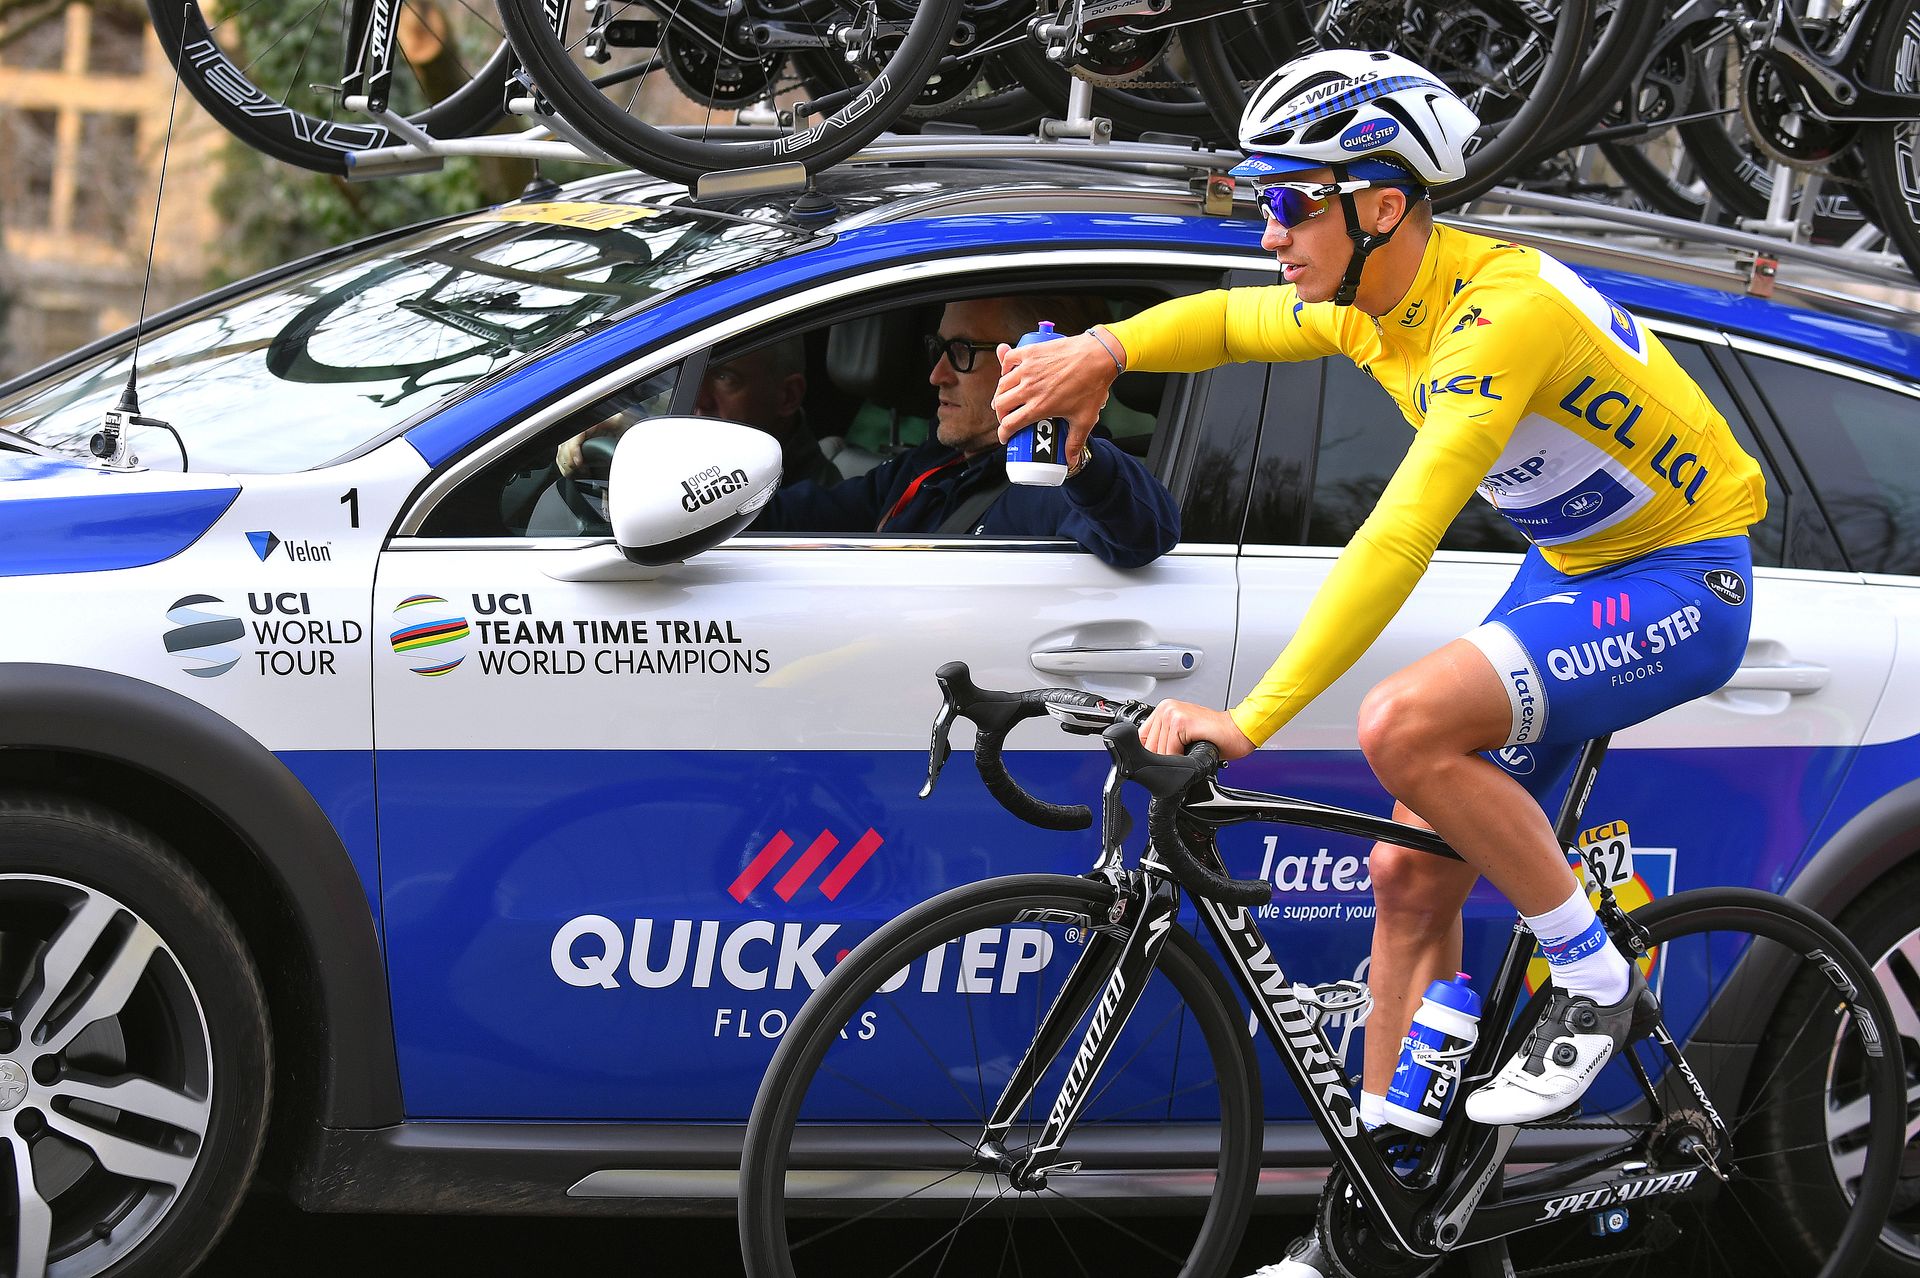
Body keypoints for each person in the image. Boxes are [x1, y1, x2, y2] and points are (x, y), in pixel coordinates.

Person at [993, 48, 1766, 1276]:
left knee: (1401, 724)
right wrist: (1104, 350)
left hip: (1681, 579)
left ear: (1383, 204)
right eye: (1261, 200)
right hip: (1576, 569)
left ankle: (1591, 978)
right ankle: (1382, 1236)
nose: (1269, 232)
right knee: (1409, 882)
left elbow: (1399, 534)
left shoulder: (1495, 316)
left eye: (1292, 202)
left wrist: (1251, 717)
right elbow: (1236, 322)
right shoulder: (1380, 296)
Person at [749, 294, 1179, 569]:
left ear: (1039, 361)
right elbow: (802, 518)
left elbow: (1147, 534)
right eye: (938, 350)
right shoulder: (934, 467)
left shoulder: (1054, 487)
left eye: (960, 352)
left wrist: (1077, 459)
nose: (936, 375)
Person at [557, 335, 842, 487]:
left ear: (788, 397)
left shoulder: (809, 509)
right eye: (684, 378)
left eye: (725, 378)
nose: (698, 401)